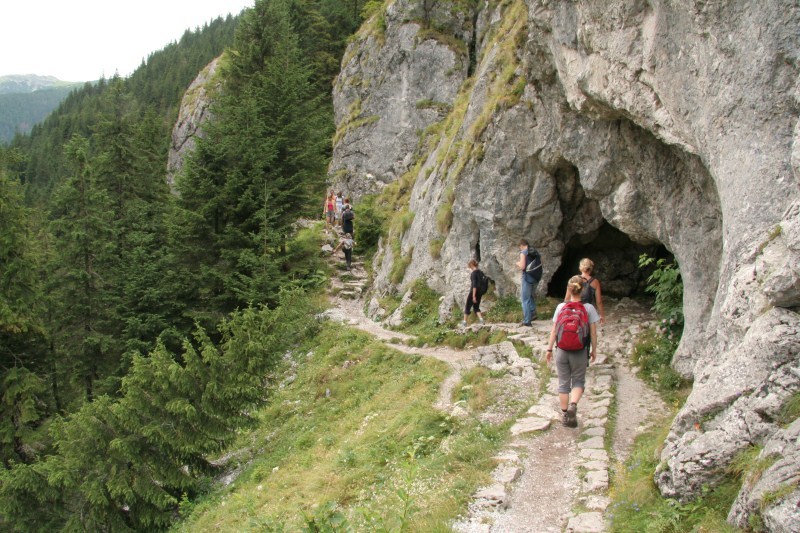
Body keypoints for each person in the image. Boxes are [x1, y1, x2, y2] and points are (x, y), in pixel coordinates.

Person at [546, 276, 600, 428]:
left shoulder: (560, 307)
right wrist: (593, 350)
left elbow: (554, 331)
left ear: (569, 289)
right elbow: (593, 333)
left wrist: (549, 349)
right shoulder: (589, 308)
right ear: (583, 289)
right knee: (578, 381)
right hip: (579, 350)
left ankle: (565, 415)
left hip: (562, 350)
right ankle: (573, 406)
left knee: (563, 383)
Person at [564, 258, 605, 325]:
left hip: (574, 309)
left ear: (580, 267)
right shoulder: (595, 282)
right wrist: (602, 315)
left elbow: (567, 298)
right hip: (588, 310)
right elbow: (599, 302)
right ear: (591, 268)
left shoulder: (574, 279)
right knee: (590, 331)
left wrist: (565, 312)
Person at [516, 239, 541, 326]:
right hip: (536, 277)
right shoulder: (535, 251)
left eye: (520, 247)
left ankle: (527, 321)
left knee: (524, 299)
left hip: (527, 278)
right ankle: (533, 313)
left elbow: (523, 266)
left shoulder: (524, 252)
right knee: (530, 296)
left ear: (521, 245)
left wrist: (518, 263)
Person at [461, 259, 486, 327]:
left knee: (467, 306)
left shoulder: (474, 273)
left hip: (474, 292)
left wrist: (473, 295)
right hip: (480, 292)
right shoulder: (481, 272)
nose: (469, 267)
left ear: (471, 265)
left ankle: (464, 323)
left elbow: (474, 285)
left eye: (469, 266)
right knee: (476, 307)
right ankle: (481, 320)